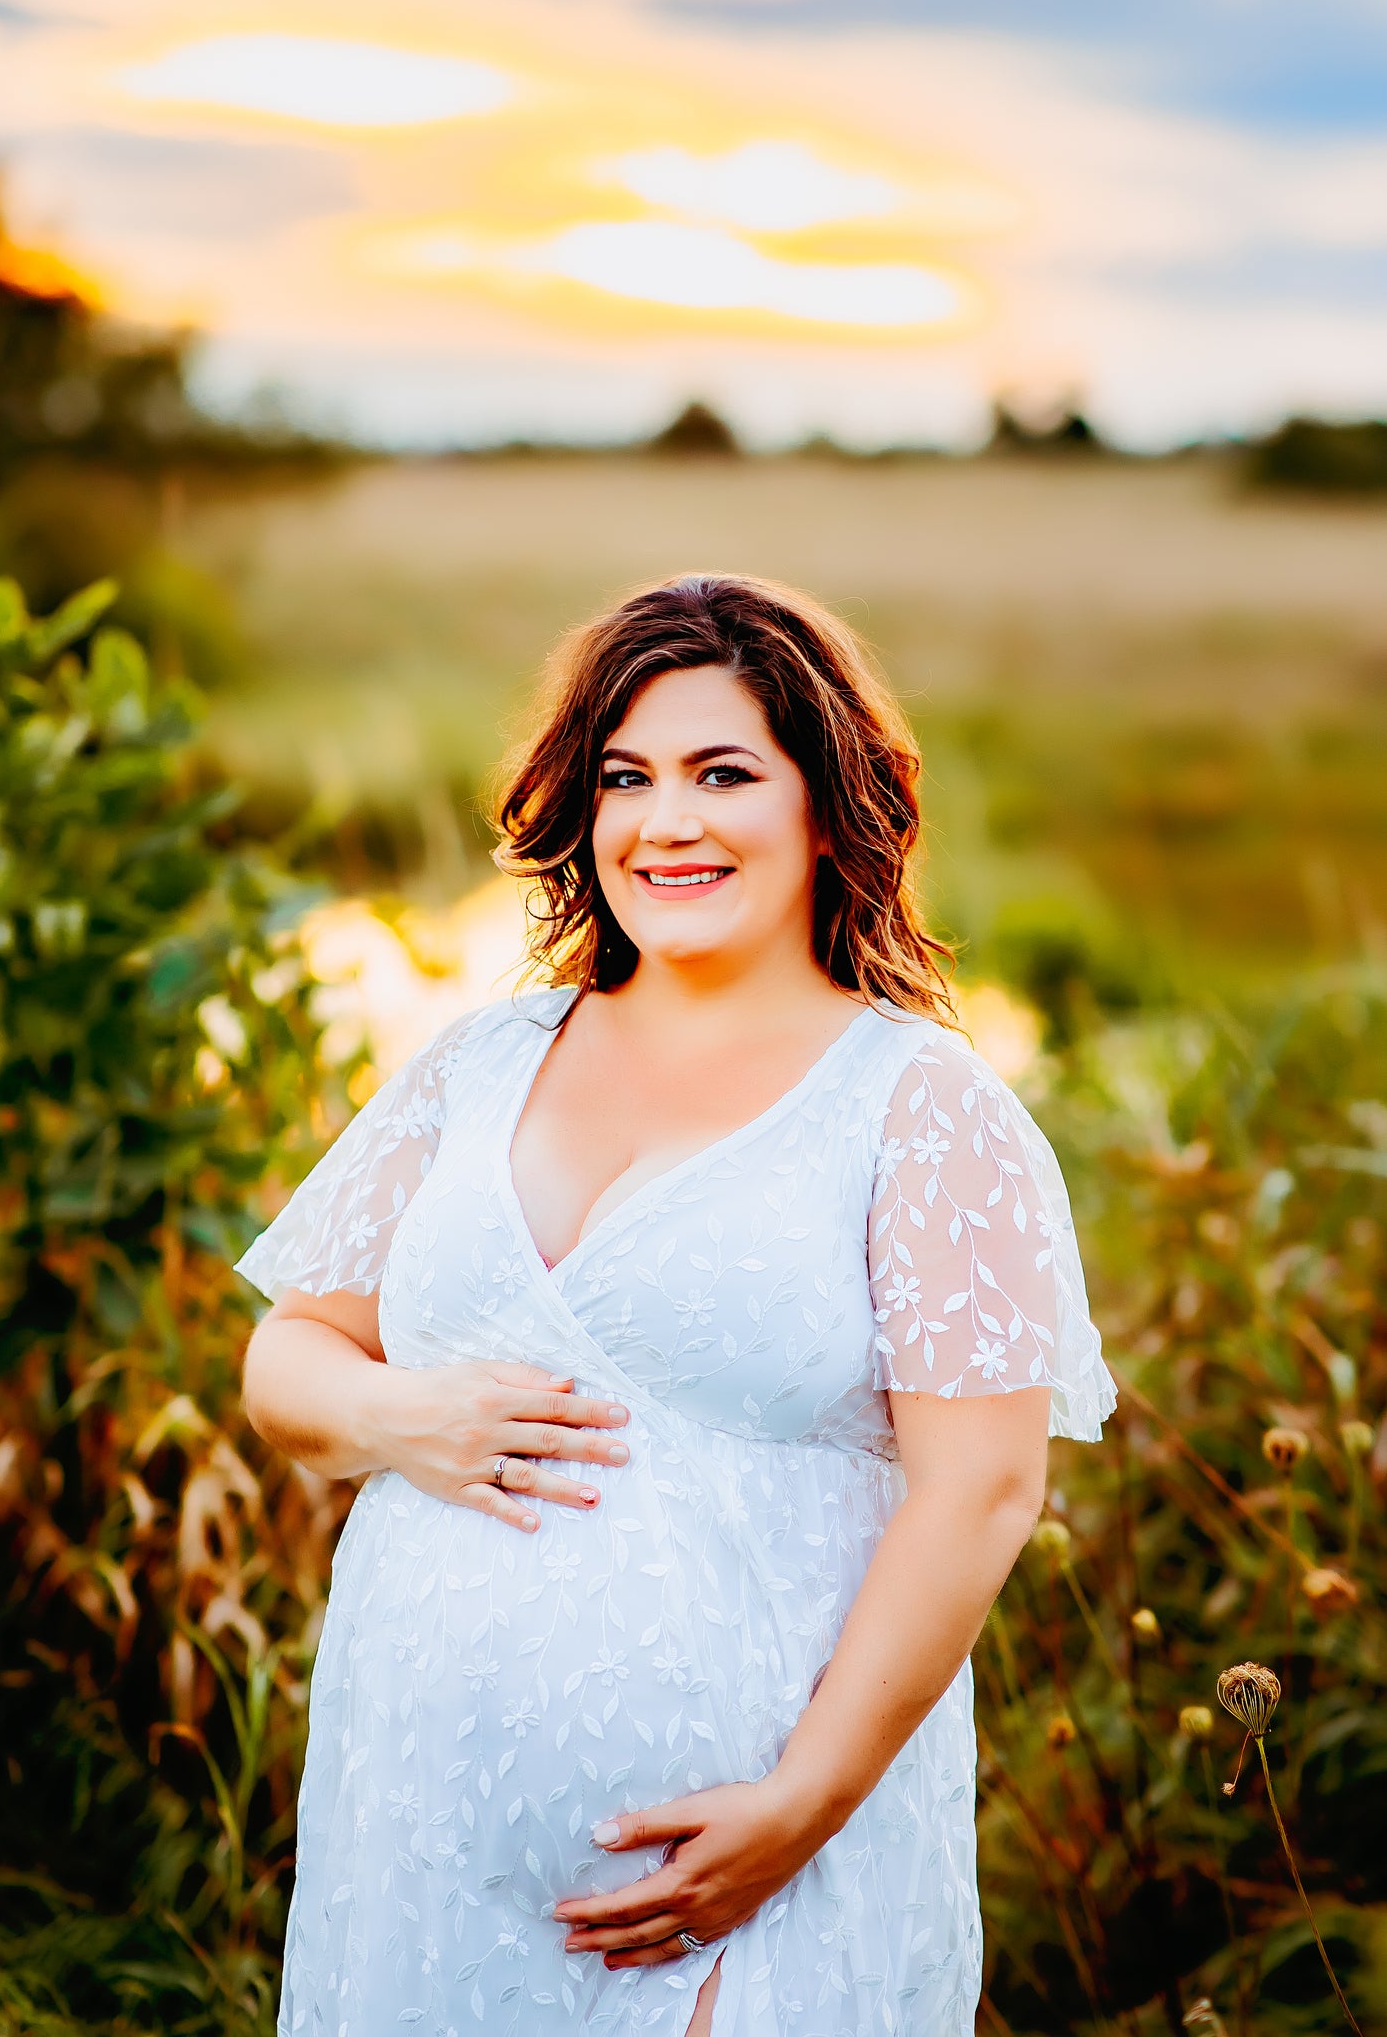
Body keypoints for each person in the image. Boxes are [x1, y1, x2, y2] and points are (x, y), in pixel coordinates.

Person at [239, 573, 1115, 2037]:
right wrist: (401, 1415)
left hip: (753, 1860)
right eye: (624, 778)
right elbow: (290, 1352)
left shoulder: (918, 1106)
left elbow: (981, 1489)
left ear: (826, 809)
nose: (666, 821)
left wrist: (799, 1805)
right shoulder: (482, 1060)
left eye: (722, 774)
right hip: (419, 1840)